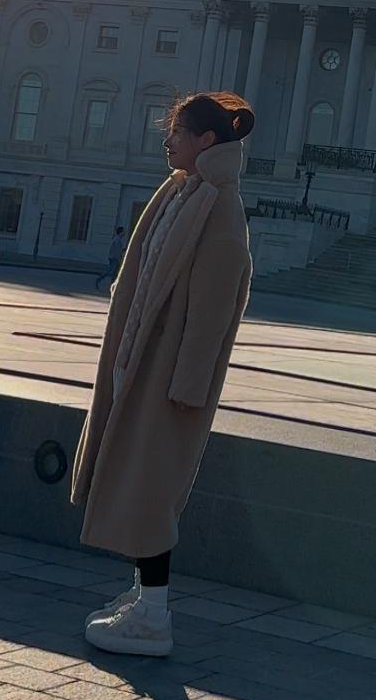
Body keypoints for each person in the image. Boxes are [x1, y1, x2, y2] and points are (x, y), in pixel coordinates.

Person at [72, 89, 254, 658]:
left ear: (206, 141)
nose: (167, 140)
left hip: (171, 379)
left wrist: (187, 385)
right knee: (137, 483)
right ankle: (143, 599)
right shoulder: (183, 192)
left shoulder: (219, 206)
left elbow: (214, 305)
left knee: (150, 491)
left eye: (177, 131)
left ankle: (154, 618)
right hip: (146, 365)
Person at [96, 225, 126, 293]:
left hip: (115, 258)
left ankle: (112, 287)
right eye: (123, 231)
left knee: (114, 273)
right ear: (121, 232)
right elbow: (116, 250)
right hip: (114, 258)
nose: (124, 233)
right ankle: (99, 280)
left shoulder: (118, 239)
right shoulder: (117, 240)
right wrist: (117, 257)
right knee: (110, 272)